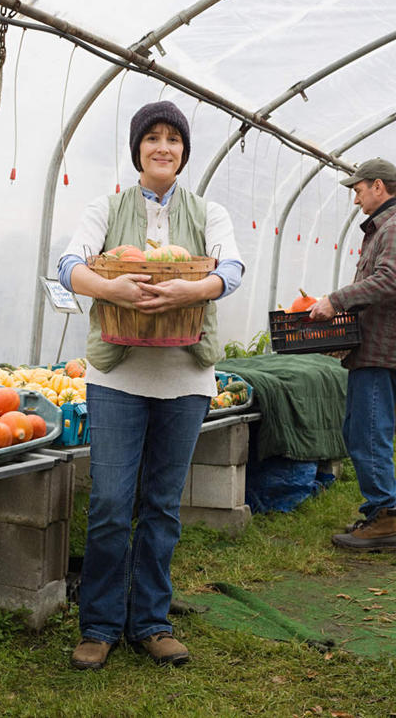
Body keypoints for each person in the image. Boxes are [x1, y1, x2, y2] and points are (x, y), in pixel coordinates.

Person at [58, 100, 244, 669]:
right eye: (152, 138)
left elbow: (230, 272)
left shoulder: (209, 213)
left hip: (187, 378)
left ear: (184, 151)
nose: (163, 147)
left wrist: (194, 289)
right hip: (117, 375)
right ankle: (100, 624)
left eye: (174, 139)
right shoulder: (105, 208)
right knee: (112, 503)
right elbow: (68, 264)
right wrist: (111, 289)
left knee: (162, 505)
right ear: (137, 148)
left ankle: (152, 622)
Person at [309, 158, 396, 552]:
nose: (356, 196)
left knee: (367, 433)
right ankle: (393, 508)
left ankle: (382, 520)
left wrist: (337, 300)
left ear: (379, 187)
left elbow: (391, 281)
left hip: (382, 348)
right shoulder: (389, 226)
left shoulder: (395, 227)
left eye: (358, 189)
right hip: (378, 345)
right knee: (362, 429)